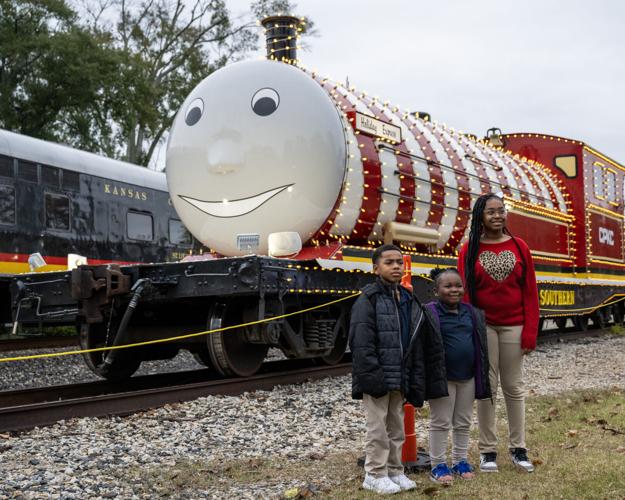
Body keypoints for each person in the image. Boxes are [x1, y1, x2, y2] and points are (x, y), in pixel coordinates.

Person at [350, 244, 448, 495]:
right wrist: (372, 376)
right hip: (379, 375)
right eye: (389, 262)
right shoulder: (368, 299)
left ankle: (395, 470)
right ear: (375, 268)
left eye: (398, 262)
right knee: (378, 427)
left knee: (397, 427)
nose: (396, 266)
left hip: (400, 374)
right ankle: (374, 473)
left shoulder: (407, 299)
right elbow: (361, 342)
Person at [457, 193, 539, 473]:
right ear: (480, 216)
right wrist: (469, 328)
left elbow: (530, 292)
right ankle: (488, 451)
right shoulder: (469, 249)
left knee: (514, 387)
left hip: (514, 324)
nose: (497, 216)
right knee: (487, 388)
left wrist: (530, 331)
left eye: (501, 211)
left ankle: (519, 448)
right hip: (484, 325)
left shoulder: (520, 246)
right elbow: (465, 292)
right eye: (490, 212)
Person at [425, 267, 491, 484]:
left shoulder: (471, 312)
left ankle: (460, 460)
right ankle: (438, 465)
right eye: (448, 286)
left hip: (468, 377)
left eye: (458, 285)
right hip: (442, 378)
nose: (454, 289)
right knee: (441, 421)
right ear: (436, 290)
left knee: (462, 421)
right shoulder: (430, 312)